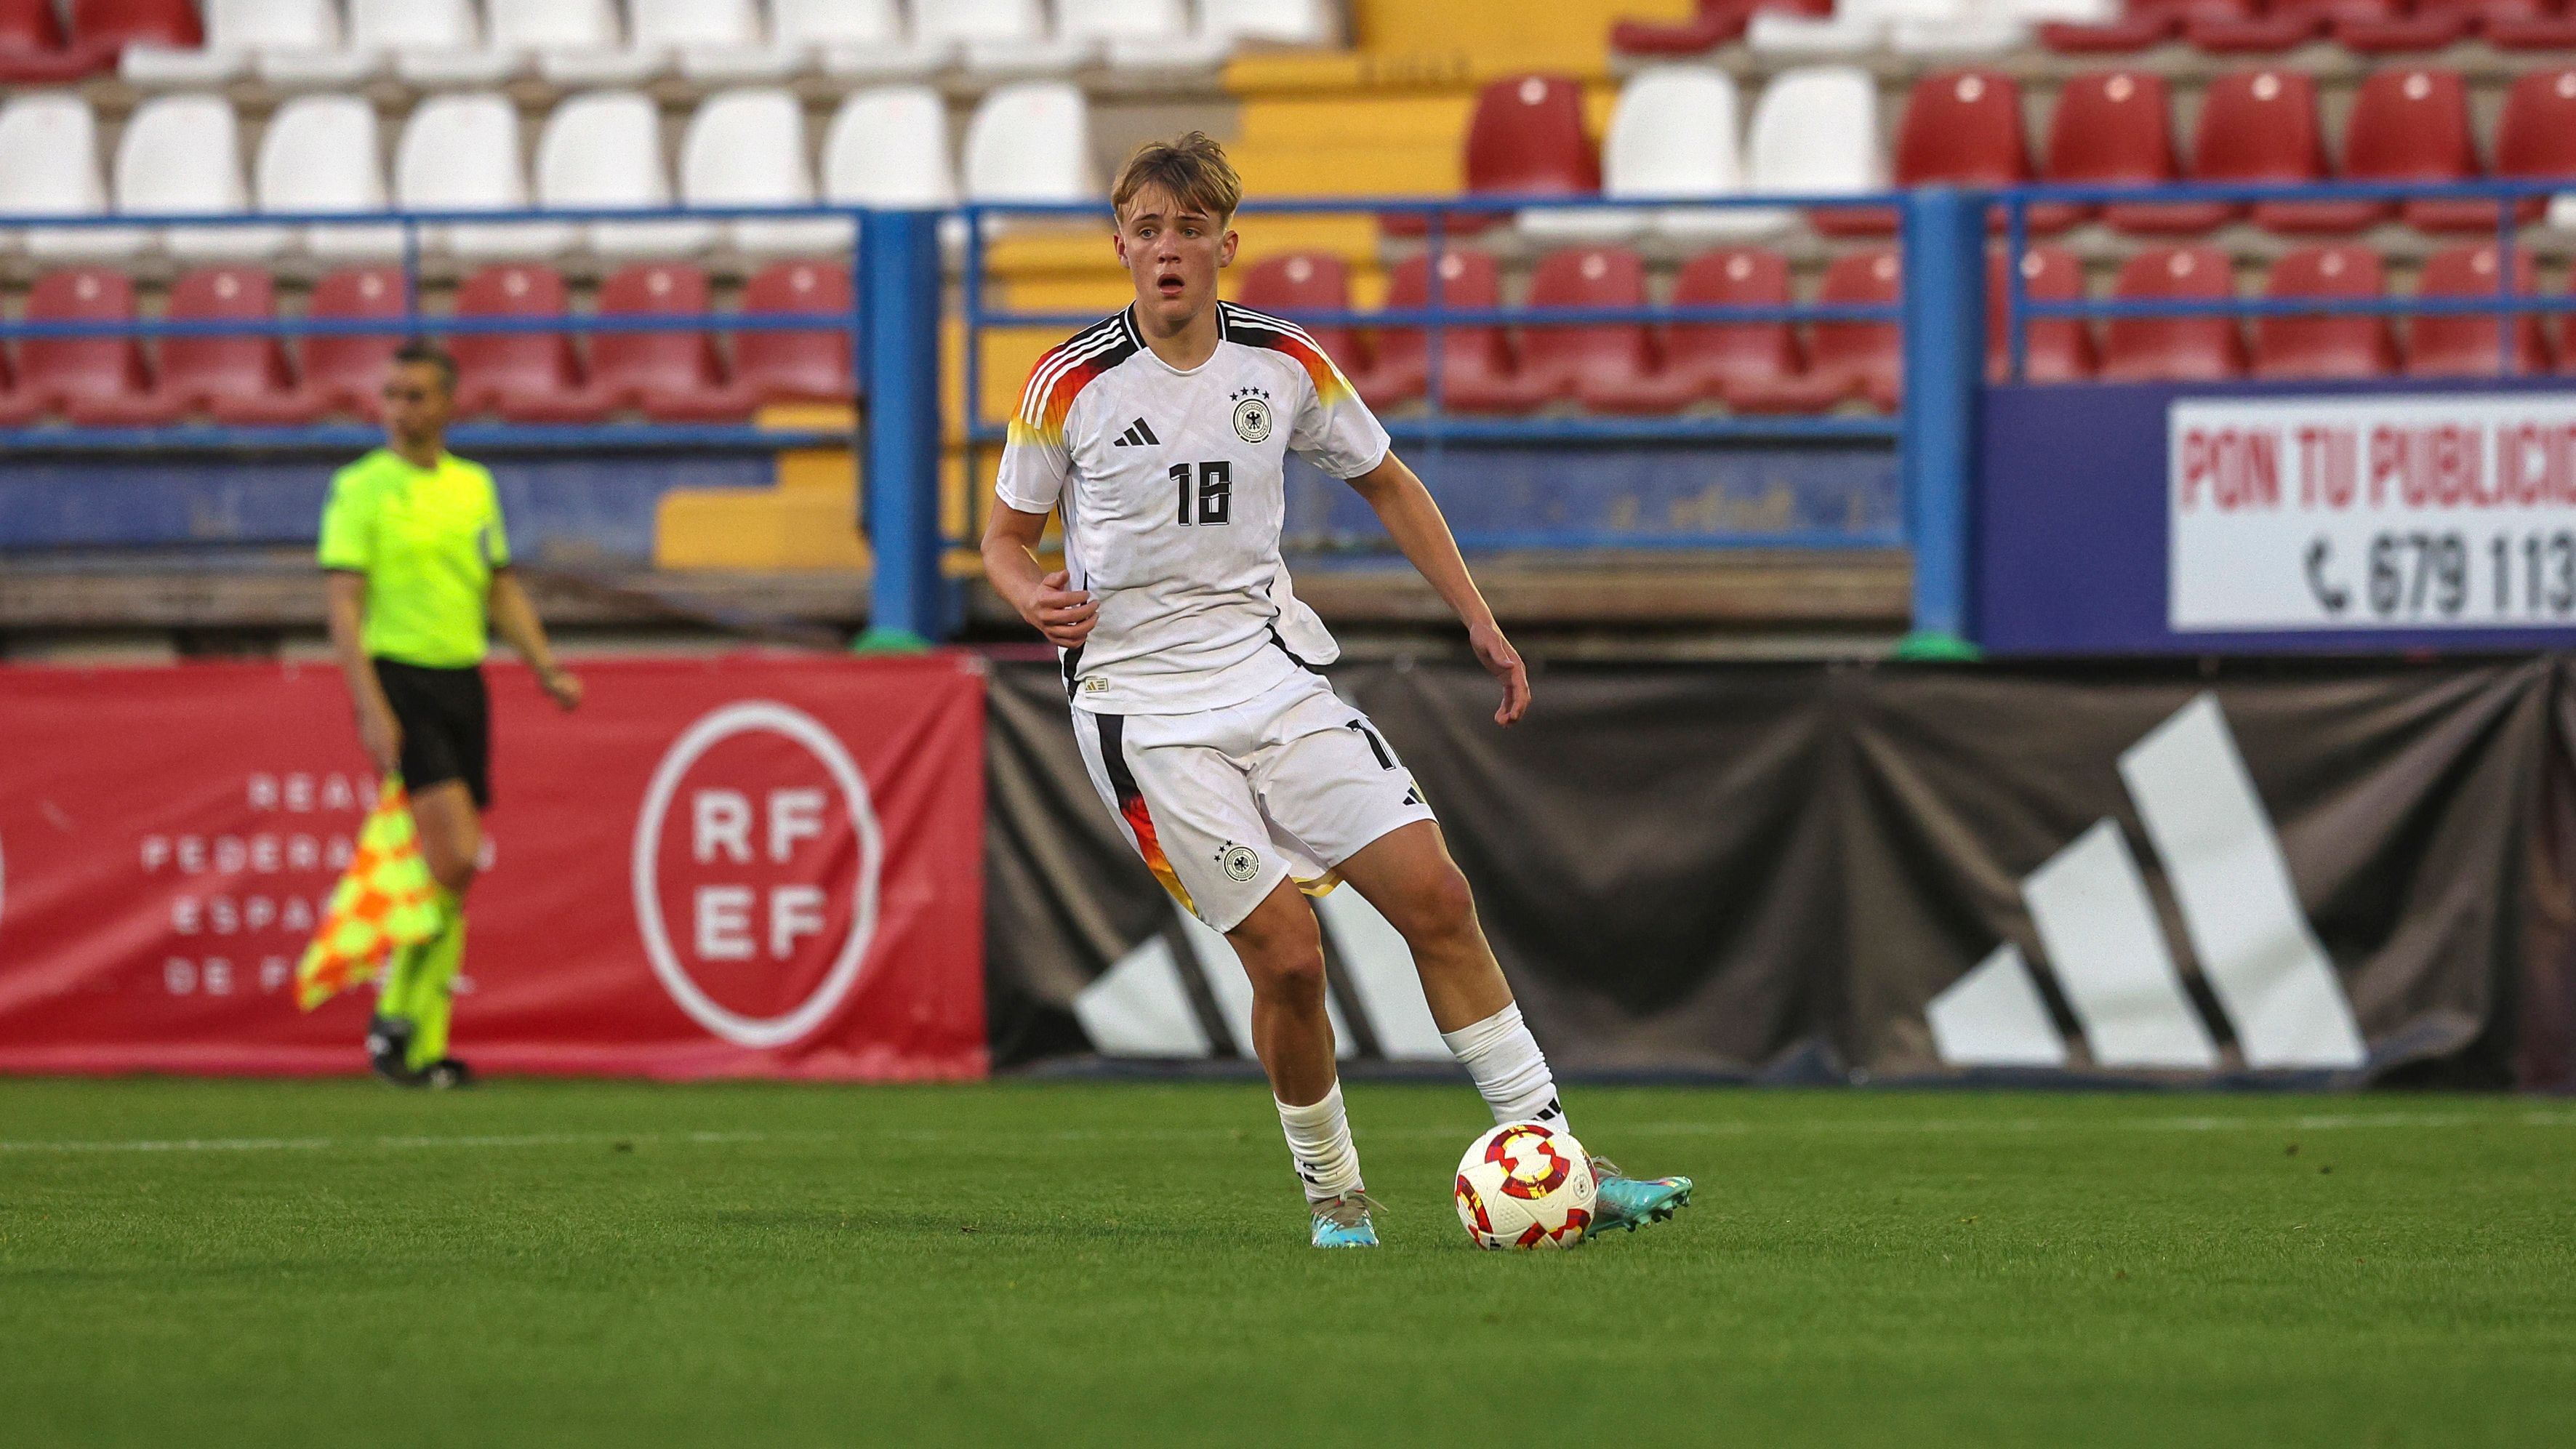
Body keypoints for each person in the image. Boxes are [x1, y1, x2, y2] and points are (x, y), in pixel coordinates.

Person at [982, 135, 1691, 1248]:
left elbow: (1386, 481)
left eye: (1189, 229)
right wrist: (1030, 594)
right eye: (1146, 230)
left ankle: (1562, 1162)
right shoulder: (1066, 383)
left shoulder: (1283, 362)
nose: (1167, 250)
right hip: (1143, 709)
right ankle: (1336, 1200)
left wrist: (1475, 615)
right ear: (1119, 246)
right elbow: (1004, 538)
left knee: (1437, 899)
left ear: (1225, 245)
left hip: (1271, 674)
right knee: (1288, 955)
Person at [318, 340, 582, 1088]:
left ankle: (419, 1044)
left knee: (453, 872)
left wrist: (545, 666)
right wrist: (368, 705)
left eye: (415, 395)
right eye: (390, 395)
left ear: (447, 403)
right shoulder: (360, 487)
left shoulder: (473, 486)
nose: (399, 409)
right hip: (401, 678)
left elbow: (499, 585)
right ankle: (394, 1013)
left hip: (464, 679)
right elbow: (344, 603)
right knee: (458, 854)